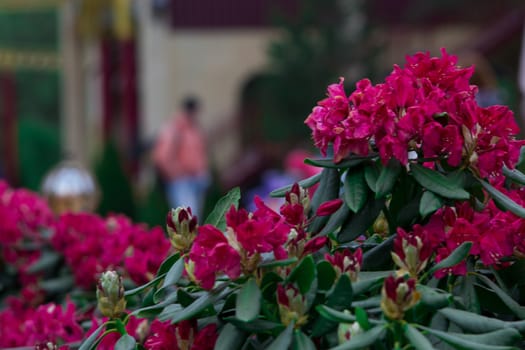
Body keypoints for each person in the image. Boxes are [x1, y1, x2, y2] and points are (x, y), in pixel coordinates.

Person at [152, 96, 209, 218]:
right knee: (186, 218)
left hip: (195, 178)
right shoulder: (174, 129)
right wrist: (176, 173)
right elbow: (162, 157)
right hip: (182, 181)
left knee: (195, 217)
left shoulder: (194, 128)